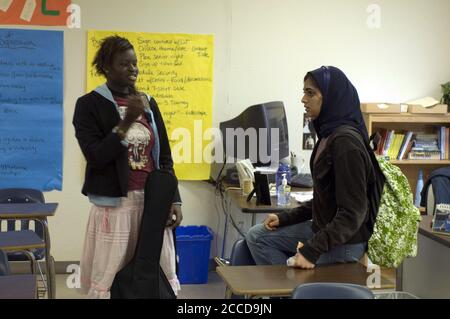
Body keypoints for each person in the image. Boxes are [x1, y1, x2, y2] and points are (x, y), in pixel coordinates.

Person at [73, 36, 183, 298]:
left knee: (151, 279)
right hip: (115, 206)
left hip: (152, 205)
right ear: (107, 68)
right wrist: (126, 122)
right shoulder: (89, 104)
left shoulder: (148, 102)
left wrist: (174, 199)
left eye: (135, 63)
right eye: (125, 64)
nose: (133, 69)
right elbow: (96, 156)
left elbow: (164, 157)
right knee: (112, 279)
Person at [246, 66, 374, 269]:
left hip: (345, 242)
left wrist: (311, 251)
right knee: (256, 235)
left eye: (310, 93)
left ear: (331, 97)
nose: (303, 99)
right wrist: (284, 218)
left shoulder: (345, 144)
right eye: (304, 92)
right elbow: (325, 200)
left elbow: (353, 214)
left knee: (281, 258)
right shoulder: (328, 134)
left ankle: (292, 291)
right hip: (325, 229)